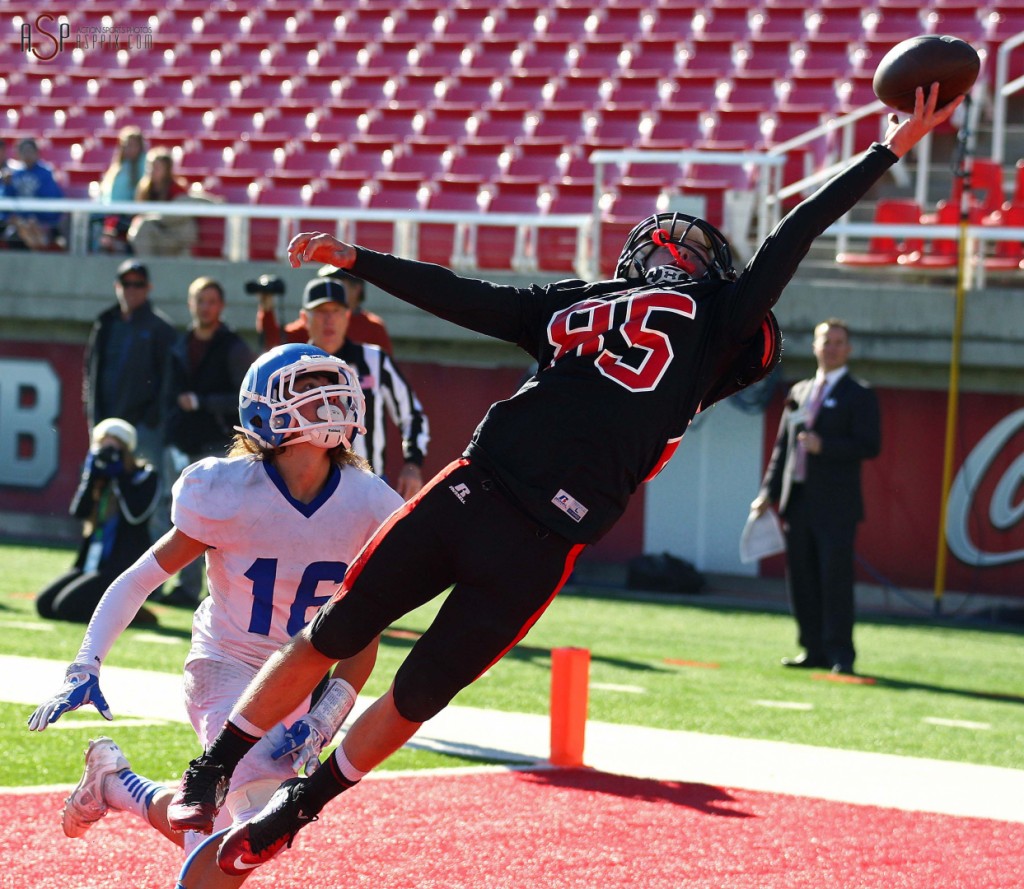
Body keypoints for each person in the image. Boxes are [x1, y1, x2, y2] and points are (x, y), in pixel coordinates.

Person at [142, 87, 961, 875]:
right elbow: (796, 230)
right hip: (531, 531)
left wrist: (360, 257)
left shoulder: (590, 301)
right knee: (398, 678)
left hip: (482, 489)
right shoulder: (714, 321)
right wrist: (888, 147)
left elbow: (465, 296)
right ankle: (278, 802)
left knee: (345, 633)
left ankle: (228, 774)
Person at [27, 343, 404, 889]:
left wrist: (328, 714)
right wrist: (85, 665)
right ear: (261, 408)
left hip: (299, 679)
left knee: (224, 824)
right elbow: (139, 578)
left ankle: (115, 785)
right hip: (224, 662)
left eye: (330, 386)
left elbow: (363, 627)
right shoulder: (227, 488)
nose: (325, 400)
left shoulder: (371, 502)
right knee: (255, 814)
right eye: (304, 388)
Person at [750, 319, 880, 675]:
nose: (832, 347)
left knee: (835, 581)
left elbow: (871, 445)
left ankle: (842, 654)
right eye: (826, 341)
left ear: (848, 349)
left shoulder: (860, 393)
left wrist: (827, 446)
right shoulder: (800, 392)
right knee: (803, 580)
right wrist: (767, 494)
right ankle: (813, 649)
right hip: (799, 501)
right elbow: (782, 449)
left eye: (839, 342)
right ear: (815, 346)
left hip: (836, 507)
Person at [267, 276, 428, 499]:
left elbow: (412, 415)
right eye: (321, 312)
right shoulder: (290, 367)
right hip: (304, 491)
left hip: (368, 486)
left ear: (347, 316)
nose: (329, 320)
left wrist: (413, 463)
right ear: (304, 318)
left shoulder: (375, 360)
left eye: (336, 311)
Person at [160, 276, 255, 608]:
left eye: (211, 301)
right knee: (179, 518)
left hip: (219, 446)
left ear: (222, 306)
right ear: (191, 304)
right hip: (182, 443)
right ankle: (185, 588)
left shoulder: (233, 346)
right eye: (200, 300)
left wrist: (202, 402)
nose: (205, 307)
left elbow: (246, 399)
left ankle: (225, 593)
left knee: (220, 524)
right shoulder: (180, 344)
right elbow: (168, 395)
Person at [35, 418, 160, 623]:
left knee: (68, 608)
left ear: (126, 448)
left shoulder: (144, 476)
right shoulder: (99, 476)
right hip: (92, 563)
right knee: (45, 605)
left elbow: (136, 515)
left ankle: (133, 614)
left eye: (114, 445)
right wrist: (90, 477)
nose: (107, 451)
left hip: (120, 568)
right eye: (103, 444)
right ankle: (121, 609)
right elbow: (79, 513)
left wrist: (120, 476)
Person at [83, 259, 177, 468]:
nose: (131, 290)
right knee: (100, 488)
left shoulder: (161, 329)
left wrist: (152, 421)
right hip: (105, 427)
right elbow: (91, 371)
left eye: (138, 284)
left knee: (142, 490)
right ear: (117, 286)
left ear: (148, 288)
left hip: (143, 429)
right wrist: (92, 415)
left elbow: (169, 381)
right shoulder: (105, 323)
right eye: (126, 284)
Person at [257, 266, 394, 354]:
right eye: (322, 310)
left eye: (336, 283)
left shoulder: (373, 328)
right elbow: (274, 343)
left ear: (357, 288)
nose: (328, 289)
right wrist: (267, 308)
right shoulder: (314, 322)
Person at [127, 148, 197, 257]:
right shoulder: (144, 189)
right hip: (152, 235)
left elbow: (175, 219)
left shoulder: (177, 190)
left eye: (157, 168)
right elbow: (139, 214)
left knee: (145, 227)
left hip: (172, 236)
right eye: (150, 167)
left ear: (167, 170)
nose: (151, 171)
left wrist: (153, 218)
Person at [1, 137, 65, 250]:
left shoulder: (46, 173)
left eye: (30, 151)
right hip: (19, 223)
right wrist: (7, 185)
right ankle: (40, 250)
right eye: (23, 151)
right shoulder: (14, 174)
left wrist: (36, 218)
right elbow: (6, 203)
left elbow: (51, 200)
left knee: (31, 227)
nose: (27, 155)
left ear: (37, 153)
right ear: (18, 154)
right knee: (23, 227)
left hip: (42, 221)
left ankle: (39, 250)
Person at [96, 126, 147, 254]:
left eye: (132, 145)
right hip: (111, 214)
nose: (128, 149)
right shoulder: (117, 167)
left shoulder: (144, 166)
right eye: (125, 145)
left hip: (129, 215)